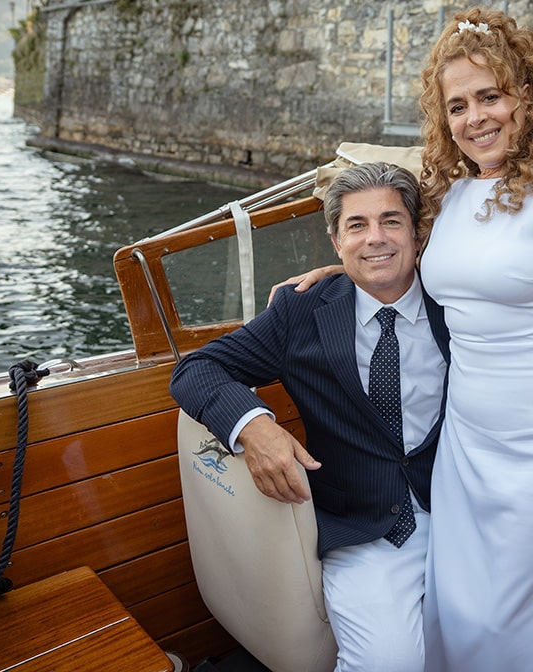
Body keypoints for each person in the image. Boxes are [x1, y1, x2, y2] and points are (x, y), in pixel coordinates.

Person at [285, 8, 533, 670]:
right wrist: (341, 271)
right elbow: (419, 264)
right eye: (458, 106)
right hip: (465, 436)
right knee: (464, 600)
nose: (475, 118)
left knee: (522, 606)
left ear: (526, 96)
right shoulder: (451, 193)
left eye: (490, 96)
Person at [170, 162, 447, 672]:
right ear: (337, 242)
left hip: (464, 511)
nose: (375, 238)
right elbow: (197, 369)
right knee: (387, 662)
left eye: (391, 221)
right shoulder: (300, 311)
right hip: (364, 527)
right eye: (357, 225)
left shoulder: (457, 299)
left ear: (417, 233)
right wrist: (254, 427)